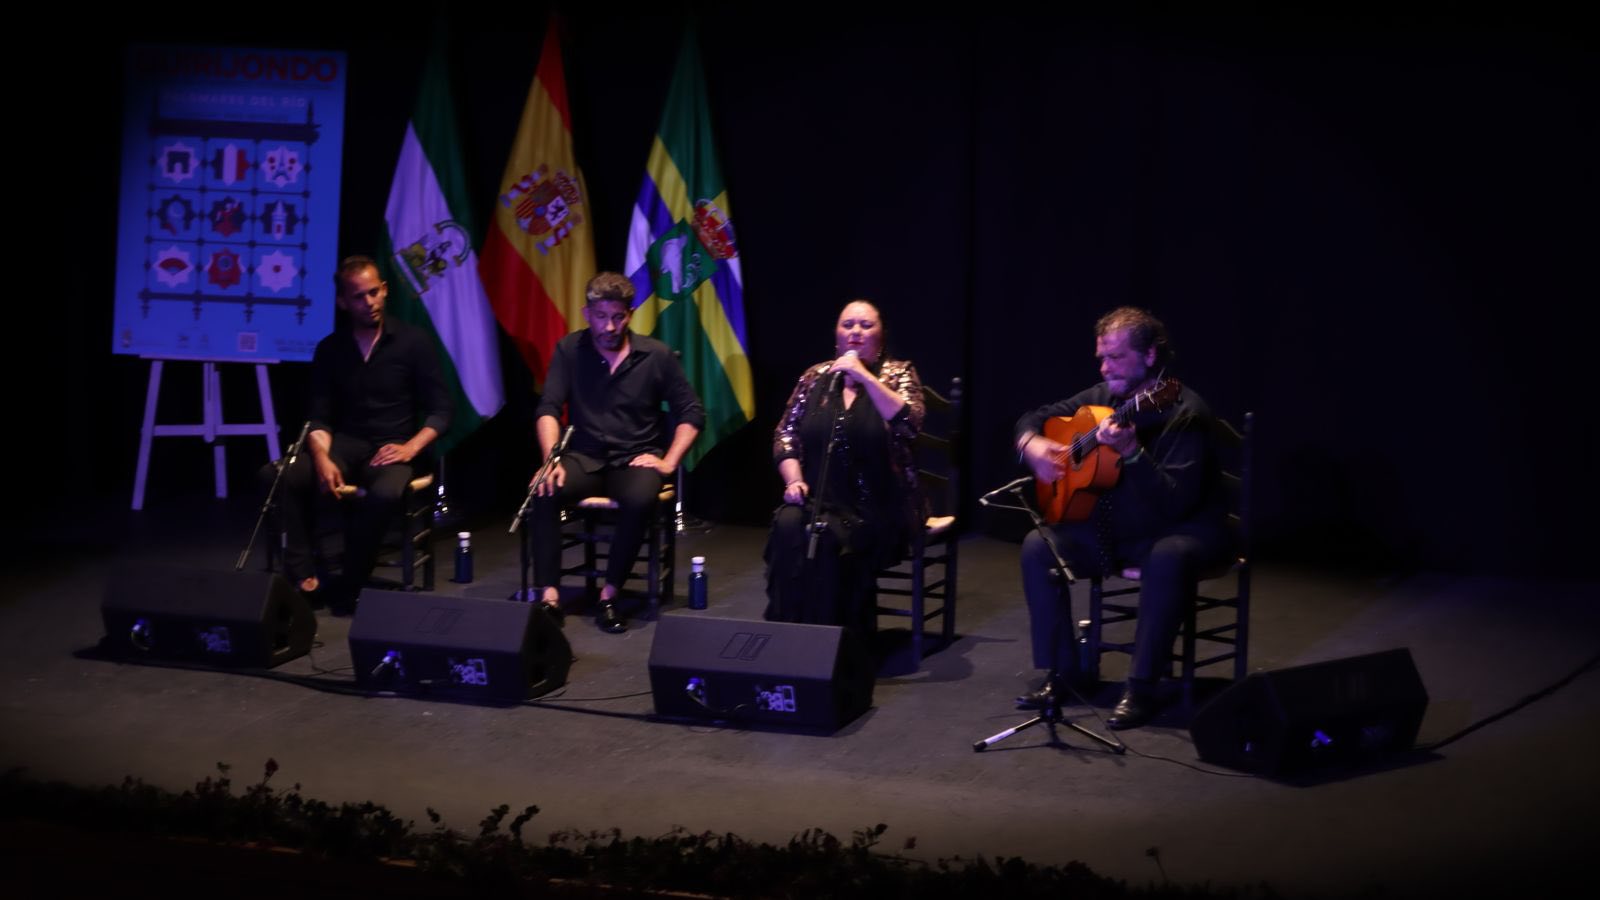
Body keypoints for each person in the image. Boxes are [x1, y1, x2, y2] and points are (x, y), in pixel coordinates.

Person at [1013, 306, 1229, 729]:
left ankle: (1142, 688)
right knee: (1039, 546)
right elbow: (1034, 417)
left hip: (1183, 531)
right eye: (1101, 357)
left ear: (1150, 356)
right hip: (1123, 530)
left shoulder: (1185, 411)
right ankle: (1065, 674)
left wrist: (1132, 453)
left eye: (1115, 357)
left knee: (1168, 556)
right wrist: (1030, 444)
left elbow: (1176, 504)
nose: (1104, 367)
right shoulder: (1103, 397)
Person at [527, 272, 704, 634]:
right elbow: (548, 407)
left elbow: (692, 412)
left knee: (640, 498)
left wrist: (669, 462)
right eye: (601, 317)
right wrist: (551, 460)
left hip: (634, 458)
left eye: (618, 317)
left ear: (630, 314)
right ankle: (549, 598)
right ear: (587, 313)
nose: (609, 326)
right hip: (585, 457)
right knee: (544, 490)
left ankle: (609, 595)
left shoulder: (655, 355)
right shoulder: (570, 350)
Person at [276, 255, 451, 613]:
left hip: (393, 445)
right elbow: (319, 417)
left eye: (374, 292)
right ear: (343, 301)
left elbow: (442, 410)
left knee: (385, 493)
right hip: (346, 444)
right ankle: (305, 575)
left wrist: (411, 447)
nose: (369, 302)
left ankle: (351, 581)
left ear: (385, 290)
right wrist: (322, 459)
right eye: (359, 296)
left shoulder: (412, 342)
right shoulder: (331, 348)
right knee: (280, 475)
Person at [764, 300, 925, 640]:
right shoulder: (815, 377)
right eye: (848, 324)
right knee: (788, 525)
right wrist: (794, 480)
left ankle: (834, 642)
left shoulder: (898, 373)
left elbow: (909, 424)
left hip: (879, 503)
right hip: (819, 496)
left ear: (881, 336)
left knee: (826, 539)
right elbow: (786, 434)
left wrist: (863, 376)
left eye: (866, 325)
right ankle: (786, 634)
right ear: (837, 335)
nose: (855, 332)